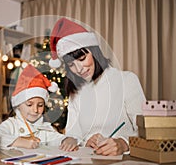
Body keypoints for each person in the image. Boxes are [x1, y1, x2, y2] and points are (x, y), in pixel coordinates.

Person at [50, 17, 146, 156]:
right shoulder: (75, 92)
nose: (79, 69)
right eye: (71, 65)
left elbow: (146, 131)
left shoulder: (126, 80)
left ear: (94, 52)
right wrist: (79, 141)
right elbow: (74, 133)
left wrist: (123, 143)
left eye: (82, 59)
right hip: (89, 163)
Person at [0, 64, 78, 165]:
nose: (35, 110)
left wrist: (68, 139)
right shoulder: (11, 124)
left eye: (40, 105)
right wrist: (18, 141)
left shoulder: (46, 128)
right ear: (18, 105)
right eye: (29, 104)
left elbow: (57, 139)